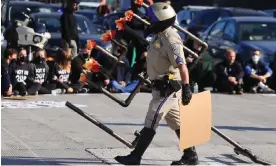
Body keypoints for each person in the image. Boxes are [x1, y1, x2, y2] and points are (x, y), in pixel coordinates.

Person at [114, 3, 197, 165]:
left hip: (169, 88)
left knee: (152, 117)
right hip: (159, 86)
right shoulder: (158, 36)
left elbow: (182, 65)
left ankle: (135, 157)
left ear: (162, 20)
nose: (149, 22)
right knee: (176, 122)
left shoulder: (171, 39)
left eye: (152, 19)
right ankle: (190, 156)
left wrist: (186, 87)